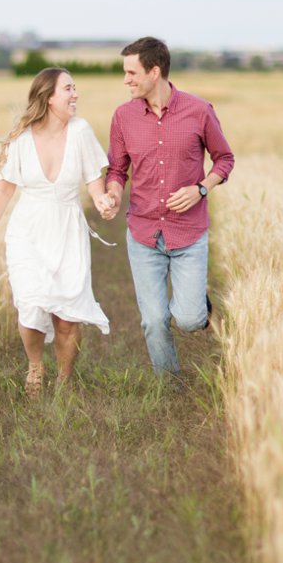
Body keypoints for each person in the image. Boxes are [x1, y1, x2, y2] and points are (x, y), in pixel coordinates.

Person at [0, 67, 121, 395]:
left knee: (68, 316)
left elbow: (93, 178)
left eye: (75, 88)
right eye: (68, 89)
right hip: (28, 232)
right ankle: (35, 366)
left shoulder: (81, 131)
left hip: (68, 230)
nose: (75, 95)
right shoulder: (21, 139)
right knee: (30, 304)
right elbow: (2, 190)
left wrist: (103, 200)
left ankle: (65, 381)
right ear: (49, 97)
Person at [105, 36, 235, 379]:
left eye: (132, 73)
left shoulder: (199, 110)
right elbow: (117, 170)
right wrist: (114, 194)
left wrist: (200, 190)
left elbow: (224, 160)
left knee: (190, 320)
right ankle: (169, 384)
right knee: (153, 320)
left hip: (188, 232)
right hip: (143, 232)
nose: (126, 80)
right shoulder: (123, 117)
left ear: (154, 71)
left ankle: (196, 304)